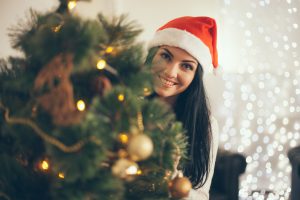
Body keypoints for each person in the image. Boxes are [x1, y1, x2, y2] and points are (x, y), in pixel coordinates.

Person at [145, 16, 219, 200]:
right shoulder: (123, 104)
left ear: (196, 76)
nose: (170, 72)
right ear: (152, 55)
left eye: (186, 66)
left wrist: (172, 181)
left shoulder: (206, 125)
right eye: (165, 56)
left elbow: (201, 195)